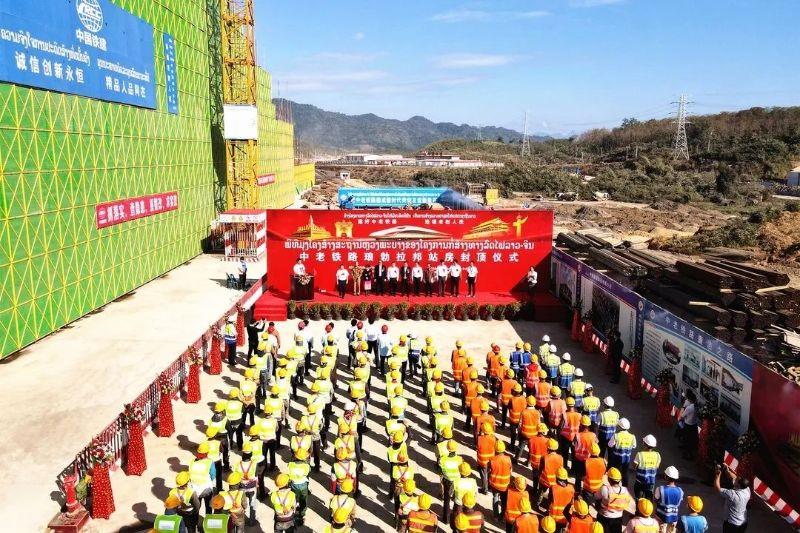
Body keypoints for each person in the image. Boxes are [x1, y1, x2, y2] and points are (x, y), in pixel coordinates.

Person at [714, 463, 751, 533]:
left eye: (736, 481)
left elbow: (717, 488)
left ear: (738, 485)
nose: (735, 479)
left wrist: (717, 475)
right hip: (743, 523)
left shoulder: (733, 494)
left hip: (732, 525)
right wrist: (727, 471)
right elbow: (735, 478)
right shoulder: (747, 490)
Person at [598, 467, 634, 533]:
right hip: (618, 517)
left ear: (609, 479)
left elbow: (596, 497)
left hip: (605, 516)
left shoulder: (605, 489)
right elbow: (627, 501)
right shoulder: (625, 490)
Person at [608, 418, 637, 487]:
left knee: (615, 472)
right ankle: (625, 487)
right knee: (625, 473)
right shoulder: (632, 437)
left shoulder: (616, 435)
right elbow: (634, 446)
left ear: (620, 426)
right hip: (626, 459)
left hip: (616, 459)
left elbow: (610, 444)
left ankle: (614, 486)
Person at [655, 466, 683, 532]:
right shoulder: (680, 491)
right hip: (674, 518)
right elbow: (678, 503)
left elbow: (655, 500)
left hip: (661, 517)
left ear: (666, 477)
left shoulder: (660, 489)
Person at [633, 434, 661, 501]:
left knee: (638, 499)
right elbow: (657, 466)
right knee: (648, 499)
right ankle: (647, 510)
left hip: (640, 481)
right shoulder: (657, 455)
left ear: (644, 444)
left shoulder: (640, 454)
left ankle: (638, 510)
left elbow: (634, 466)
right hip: (651, 482)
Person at [678, 390, 698, 460]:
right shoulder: (696, 406)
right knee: (690, 440)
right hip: (694, 425)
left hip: (688, 425)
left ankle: (688, 454)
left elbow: (683, 415)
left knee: (687, 439)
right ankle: (688, 451)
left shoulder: (690, 408)